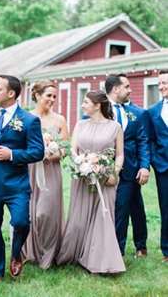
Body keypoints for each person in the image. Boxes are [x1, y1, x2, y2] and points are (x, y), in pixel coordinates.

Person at [0, 74, 44, 283]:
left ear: (11, 93)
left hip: (16, 184)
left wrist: (12, 155)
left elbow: (37, 152)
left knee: (21, 221)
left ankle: (16, 253)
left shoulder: (29, 120)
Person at [56, 90, 125, 274]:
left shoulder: (115, 127)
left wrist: (114, 173)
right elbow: (73, 149)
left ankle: (99, 260)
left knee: (102, 217)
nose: (82, 105)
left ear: (97, 105)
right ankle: (77, 253)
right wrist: (81, 163)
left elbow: (119, 154)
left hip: (106, 178)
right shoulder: (80, 124)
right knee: (79, 218)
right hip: (83, 177)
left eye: (86, 102)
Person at [21, 80, 68, 269]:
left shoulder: (60, 120)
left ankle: (49, 254)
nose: (52, 99)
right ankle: (31, 252)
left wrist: (54, 152)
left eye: (54, 96)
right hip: (30, 170)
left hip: (50, 171)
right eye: (48, 95)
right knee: (29, 213)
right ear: (37, 96)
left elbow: (65, 148)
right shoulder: (25, 117)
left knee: (45, 213)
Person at [105, 74, 150, 257]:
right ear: (116, 89)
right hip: (104, 168)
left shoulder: (137, 113)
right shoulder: (99, 108)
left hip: (130, 169)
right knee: (116, 209)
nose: (130, 90)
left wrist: (144, 166)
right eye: (127, 86)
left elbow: (143, 141)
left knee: (130, 208)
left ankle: (127, 249)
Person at [148, 69, 168, 262]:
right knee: (166, 208)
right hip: (164, 168)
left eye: (165, 83)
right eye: (160, 83)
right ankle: (167, 251)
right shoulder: (152, 111)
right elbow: (150, 140)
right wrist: (156, 161)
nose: (161, 86)